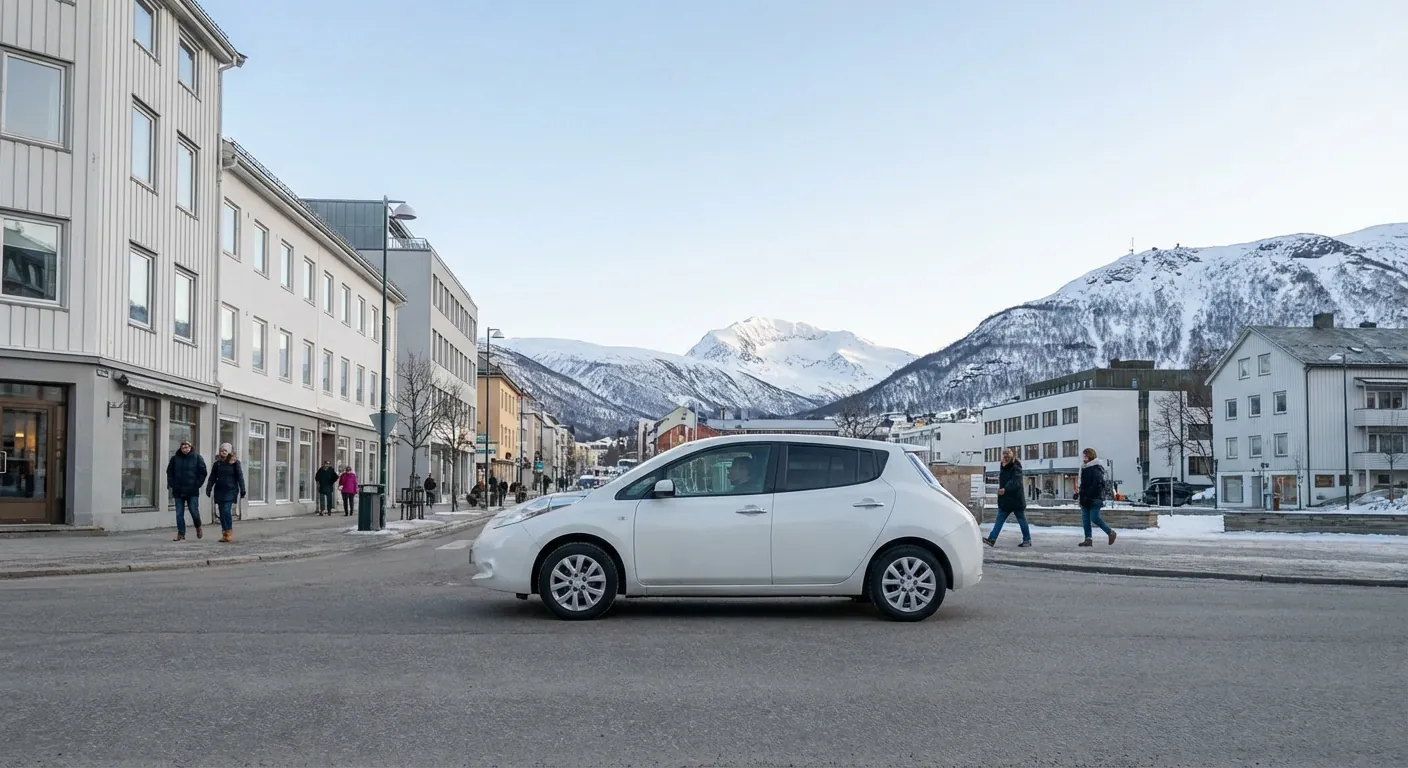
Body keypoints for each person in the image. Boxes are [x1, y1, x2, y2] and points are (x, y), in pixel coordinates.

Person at [985, 448, 1032, 547]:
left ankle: (1027, 540)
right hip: (1006, 501)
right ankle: (992, 539)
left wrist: (1005, 489)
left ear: (1010, 457)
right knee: (1000, 520)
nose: (1004, 459)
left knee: (1021, 519)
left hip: (1016, 500)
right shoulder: (1003, 466)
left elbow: (1016, 482)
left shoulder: (1016, 467)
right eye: (1004, 456)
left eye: (1006, 456)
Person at [166, 440, 208, 541]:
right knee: (179, 513)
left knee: (193, 510)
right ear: (180, 448)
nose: (186, 449)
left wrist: (197, 484)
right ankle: (181, 534)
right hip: (178, 490)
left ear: (190, 448)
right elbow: (169, 472)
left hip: (192, 490)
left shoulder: (197, 458)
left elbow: (203, 472)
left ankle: (198, 526)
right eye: (184, 447)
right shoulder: (175, 459)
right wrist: (172, 484)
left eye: (187, 447)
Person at [204, 443, 245, 543]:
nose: (224, 451)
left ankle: (229, 532)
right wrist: (208, 488)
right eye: (222, 450)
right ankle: (224, 533)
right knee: (222, 513)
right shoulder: (217, 463)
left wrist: (242, 489)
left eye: (226, 450)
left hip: (231, 490)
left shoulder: (235, 463)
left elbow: (240, 476)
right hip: (220, 490)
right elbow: (212, 477)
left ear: (230, 451)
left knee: (226, 510)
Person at [1077, 447, 1116, 547]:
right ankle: (1088, 539)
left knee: (1094, 518)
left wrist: (1088, 494)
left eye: (1086, 455)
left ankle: (1110, 532)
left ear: (1091, 456)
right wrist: (1079, 493)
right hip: (1084, 497)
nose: (1084, 457)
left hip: (1094, 498)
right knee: (1085, 519)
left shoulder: (1096, 467)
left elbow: (1097, 484)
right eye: (1083, 455)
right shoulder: (1083, 467)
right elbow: (1082, 483)